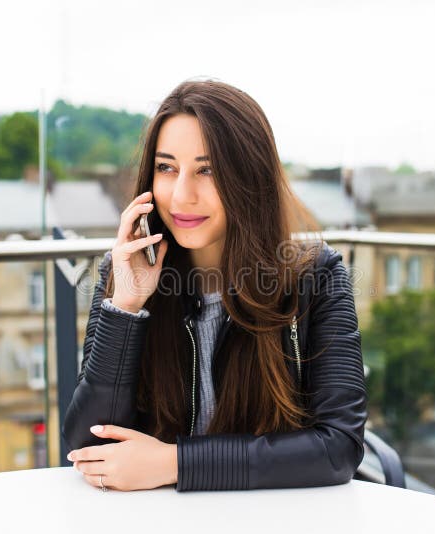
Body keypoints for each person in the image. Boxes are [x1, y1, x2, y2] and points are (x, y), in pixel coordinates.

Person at [62, 78, 367, 492]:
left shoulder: (316, 276)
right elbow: (87, 446)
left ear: (250, 177)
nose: (181, 196)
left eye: (208, 170)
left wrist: (175, 463)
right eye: (166, 168)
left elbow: (339, 449)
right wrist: (128, 305)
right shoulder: (123, 272)